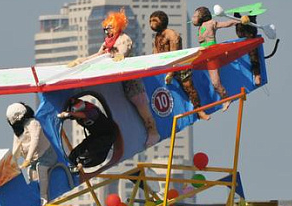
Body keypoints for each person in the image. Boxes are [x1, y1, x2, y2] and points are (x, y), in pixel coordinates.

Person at [68, 9, 160, 148]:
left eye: (109, 28)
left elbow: (124, 49)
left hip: (130, 78)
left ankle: (153, 132)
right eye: (105, 28)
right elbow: (98, 55)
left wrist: (120, 56)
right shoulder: (107, 42)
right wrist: (83, 60)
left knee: (140, 104)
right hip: (115, 80)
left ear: (117, 26)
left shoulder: (123, 39)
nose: (107, 31)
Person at [149, 10, 210, 121]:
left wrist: (171, 72)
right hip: (164, 67)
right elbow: (155, 55)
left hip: (179, 66)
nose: (151, 24)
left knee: (189, 87)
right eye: (150, 21)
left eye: (154, 21)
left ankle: (199, 110)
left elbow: (175, 55)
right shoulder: (157, 37)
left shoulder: (171, 34)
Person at [7, 103, 58, 206]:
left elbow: (35, 140)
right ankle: (39, 201)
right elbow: (16, 147)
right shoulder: (18, 131)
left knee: (41, 172)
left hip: (46, 156)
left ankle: (47, 205)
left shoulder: (33, 123)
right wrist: (11, 163)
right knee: (31, 177)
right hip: (33, 161)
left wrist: (28, 159)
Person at [191, 6, 245, 111]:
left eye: (195, 16)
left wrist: (238, 21)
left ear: (202, 16)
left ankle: (226, 98)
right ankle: (224, 98)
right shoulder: (200, 27)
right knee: (213, 82)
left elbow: (225, 24)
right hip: (204, 55)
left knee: (216, 83)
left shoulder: (211, 23)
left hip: (212, 54)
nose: (193, 18)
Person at [57, 98, 117, 172]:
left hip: (108, 135)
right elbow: (68, 115)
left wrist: (70, 114)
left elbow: (85, 115)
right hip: (95, 136)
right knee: (75, 153)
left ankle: (80, 164)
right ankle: (69, 166)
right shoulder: (75, 112)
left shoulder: (92, 111)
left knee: (91, 150)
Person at [234, 12, 263, 86]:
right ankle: (257, 75)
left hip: (247, 34)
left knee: (253, 53)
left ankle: (257, 75)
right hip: (248, 34)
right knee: (253, 54)